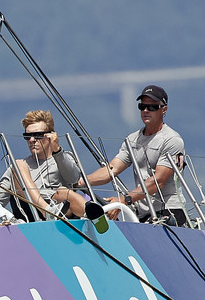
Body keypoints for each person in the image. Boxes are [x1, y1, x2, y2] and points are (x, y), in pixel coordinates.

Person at [80, 84, 189, 226]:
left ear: (164, 109)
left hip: (169, 211)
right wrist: (81, 181)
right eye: (142, 106)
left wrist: (124, 200)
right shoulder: (132, 139)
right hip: (143, 213)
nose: (146, 110)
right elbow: (111, 169)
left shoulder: (172, 140)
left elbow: (158, 181)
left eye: (152, 107)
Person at [0, 110, 84, 231]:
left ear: (51, 135)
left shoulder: (64, 157)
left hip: (62, 217)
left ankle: (96, 217)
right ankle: (47, 211)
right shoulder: (18, 169)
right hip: (32, 221)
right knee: (18, 165)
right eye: (27, 136)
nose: (32, 140)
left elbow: (73, 178)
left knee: (65, 193)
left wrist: (57, 150)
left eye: (37, 135)